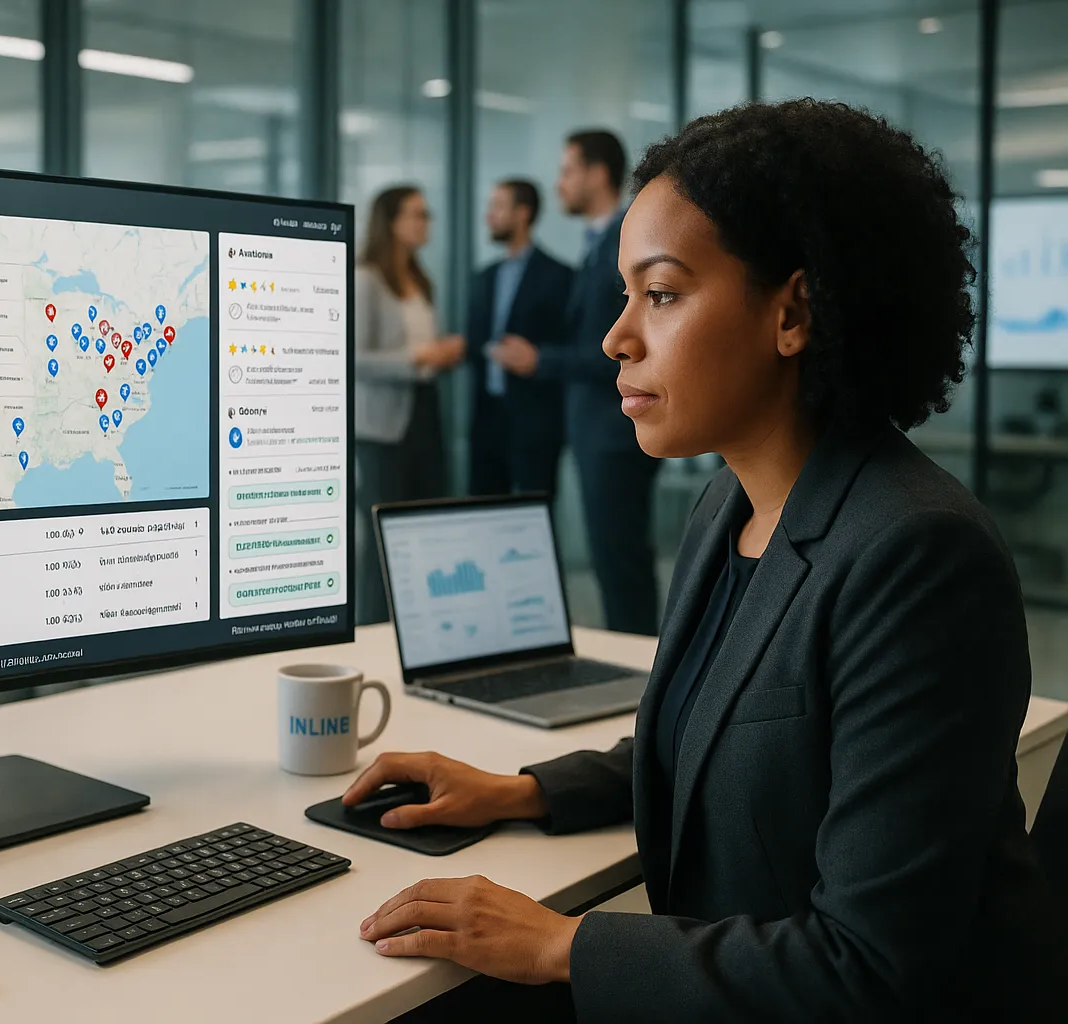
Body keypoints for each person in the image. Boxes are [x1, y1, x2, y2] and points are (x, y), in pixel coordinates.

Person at [346, 100, 1065, 1020]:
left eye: (663, 293)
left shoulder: (917, 555)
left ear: (794, 312)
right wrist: (520, 791)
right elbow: (721, 734)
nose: (618, 337)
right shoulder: (729, 503)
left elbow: (871, 967)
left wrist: (561, 942)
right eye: (623, 294)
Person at [492, 130, 659, 635]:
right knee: (616, 564)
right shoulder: (596, 245)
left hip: (614, 429)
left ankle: (639, 685)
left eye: (568, 170)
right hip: (595, 429)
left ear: (597, 174)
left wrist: (540, 360)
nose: (559, 183)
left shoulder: (621, 245)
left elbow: (617, 349)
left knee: (620, 566)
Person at [354, 186, 463, 624]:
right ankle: (373, 630)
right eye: (417, 214)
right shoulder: (366, 279)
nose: (426, 223)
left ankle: (417, 627)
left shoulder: (419, 280)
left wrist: (440, 355)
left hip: (424, 411)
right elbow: (354, 357)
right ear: (392, 222)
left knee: (424, 526)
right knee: (384, 539)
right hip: (381, 427)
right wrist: (421, 357)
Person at [465, 180, 573, 496]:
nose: (489, 216)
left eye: (498, 206)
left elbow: (569, 347)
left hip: (536, 421)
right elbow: (475, 342)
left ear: (523, 213)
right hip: (486, 419)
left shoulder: (560, 276)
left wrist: (534, 358)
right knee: (482, 508)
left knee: (535, 509)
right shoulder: (484, 277)